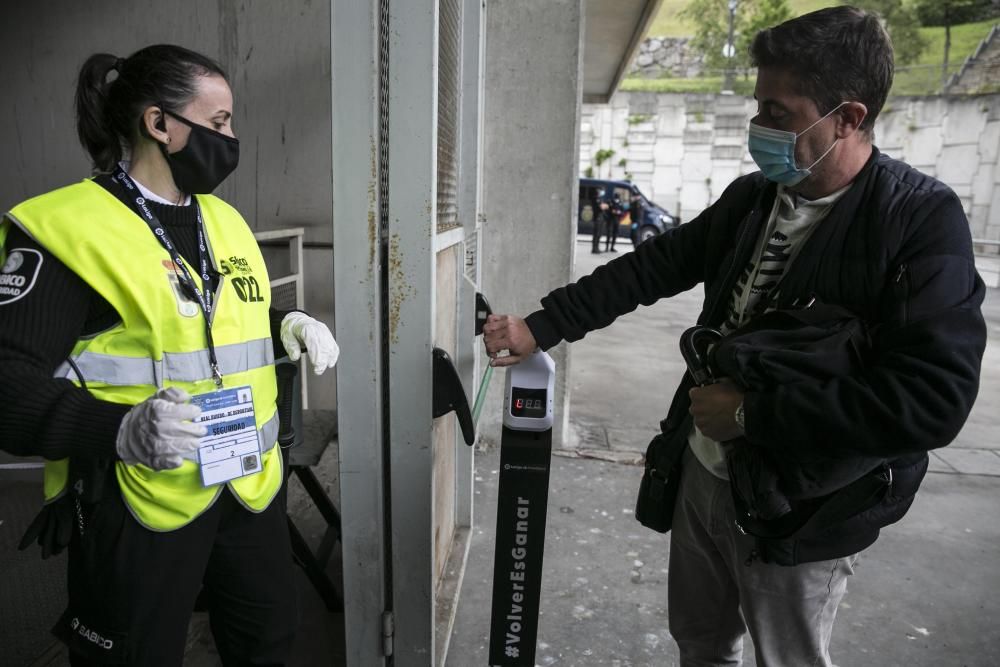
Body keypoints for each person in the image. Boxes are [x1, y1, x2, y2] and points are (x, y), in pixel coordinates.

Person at [483, 7, 986, 666]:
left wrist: (751, 413)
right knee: (702, 645)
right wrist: (540, 326)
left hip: (804, 507)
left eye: (778, 113)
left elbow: (931, 401)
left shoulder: (917, 221)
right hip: (704, 473)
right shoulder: (756, 198)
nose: (758, 128)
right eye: (758, 108)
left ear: (849, 118)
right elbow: (653, 266)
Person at [0, 45, 339, 666]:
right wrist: (121, 430)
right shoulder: (65, 230)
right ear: (159, 124)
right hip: (133, 496)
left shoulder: (224, 221)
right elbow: (7, 385)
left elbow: (203, 321)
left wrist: (282, 322)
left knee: (267, 638)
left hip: (246, 484)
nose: (232, 138)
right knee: (132, 654)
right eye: (217, 123)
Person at [591, 187, 609, 254]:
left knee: (599, 234)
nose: (602, 192)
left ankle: (597, 248)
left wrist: (605, 206)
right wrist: (605, 206)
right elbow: (602, 207)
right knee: (596, 234)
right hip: (597, 218)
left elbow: (606, 206)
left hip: (601, 218)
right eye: (601, 191)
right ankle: (594, 249)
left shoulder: (600, 199)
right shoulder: (596, 198)